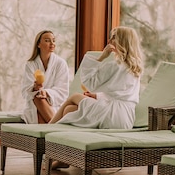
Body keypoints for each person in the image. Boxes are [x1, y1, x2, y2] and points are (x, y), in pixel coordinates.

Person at [48, 26, 143, 167]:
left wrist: (100, 58)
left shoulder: (114, 65)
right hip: (124, 117)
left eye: (114, 37)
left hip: (111, 114)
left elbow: (89, 82)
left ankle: (46, 131)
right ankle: (64, 159)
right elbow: (118, 92)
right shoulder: (135, 67)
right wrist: (96, 96)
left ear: (122, 41)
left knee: (74, 96)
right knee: (70, 110)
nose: (110, 40)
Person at [20, 30, 70, 124]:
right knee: (37, 98)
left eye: (53, 40)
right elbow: (26, 89)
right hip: (35, 103)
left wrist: (46, 93)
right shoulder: (31, 64)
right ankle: (56, 129)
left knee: (39, 100)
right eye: (47, 40)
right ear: (38, 44)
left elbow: (63, 90)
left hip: (54, 103)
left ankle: (52, 130)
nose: (52, 43)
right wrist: (35, 87)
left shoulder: (60, 63)